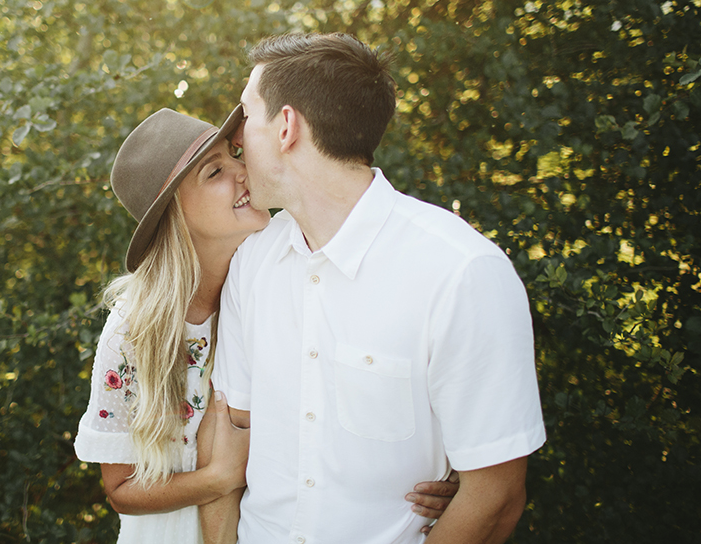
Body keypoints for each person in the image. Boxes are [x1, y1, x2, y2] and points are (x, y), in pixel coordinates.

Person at [204, 33, 547, 544]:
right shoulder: (252, 262)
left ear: (286, 127)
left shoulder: (461, 272)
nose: (236, 140)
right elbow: (233, 443)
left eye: (247, 117)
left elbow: (495, 498)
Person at [74, 106, 460, 544]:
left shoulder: (285, 272)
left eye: (236, 155)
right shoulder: (135, 331)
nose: (242, 172)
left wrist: (435, 474)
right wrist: (218, 477)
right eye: (215, 171)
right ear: (175, 215)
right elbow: (121, 490)